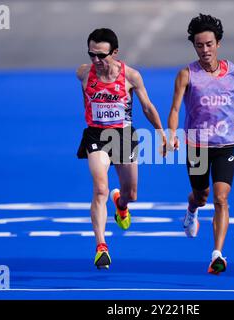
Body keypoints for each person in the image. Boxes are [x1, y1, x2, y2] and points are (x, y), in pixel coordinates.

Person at [167, 14, 234, 275]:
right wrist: (171, 134)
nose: (205, 50)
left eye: (209, 44)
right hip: (197, 146)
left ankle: (217, 254)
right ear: (194, 46)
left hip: (226, 144)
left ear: (218, 43)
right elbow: (174, 108)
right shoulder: (186, 74)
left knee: (221, 198)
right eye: (199, 45)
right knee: (202, 196)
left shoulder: (233, 71)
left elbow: (233, 97)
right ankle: (191, 209)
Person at [76, 28, 166, 269]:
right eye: (91, 54)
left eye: (101, 55)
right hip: (96, 136)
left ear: (114, 52)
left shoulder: (131, 76)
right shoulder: (84, 73)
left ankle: (122, 205)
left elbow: (147, 107)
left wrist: (161, 133)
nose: (96, 60)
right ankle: (101, 246)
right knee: (100, 189)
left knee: (132, 194)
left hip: (123, 137)